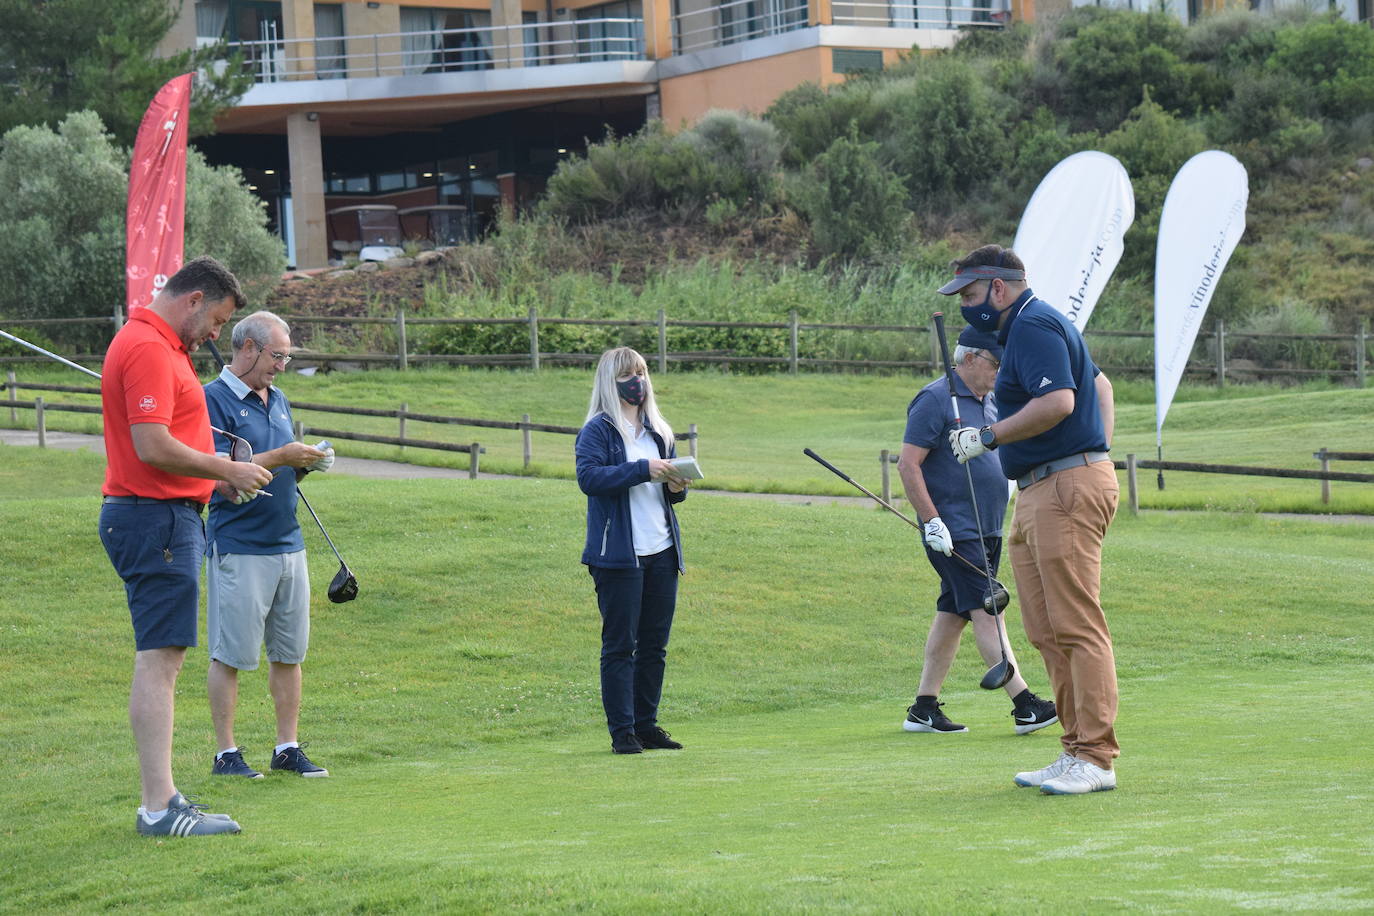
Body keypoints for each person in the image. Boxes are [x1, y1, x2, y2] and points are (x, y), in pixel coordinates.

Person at [99, 256, 273, 837]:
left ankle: (164, 798)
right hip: (155, 519)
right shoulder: (148, 346)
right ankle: (158, 807)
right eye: (219, 321)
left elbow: (169, 443)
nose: (217, 336)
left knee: (164, 656)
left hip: (164, 514)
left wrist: (212, 479)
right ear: (194, 300)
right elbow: (151, 444)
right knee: (161, 658)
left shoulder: (161, 346)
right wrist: (222, 465)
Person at [940, 244, 1120, 795]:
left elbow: (1064, 401)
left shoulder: (1036, 323)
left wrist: (990, 436)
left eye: (970, 295)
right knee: (1044, 630)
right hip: (1041, 487)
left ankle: (1096, 757)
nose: (966, 307)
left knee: (1075, 624)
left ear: (999, 288)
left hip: (1064, 484)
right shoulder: (1020, 331)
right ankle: (1074, 748)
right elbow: (1100, 384)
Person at [897, 325, 1058, 736]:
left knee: (953, 614)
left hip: (987, 527)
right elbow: (908, 464)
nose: (1000, 371)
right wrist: (932, 521)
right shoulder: (934, 399)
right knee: (990, 609)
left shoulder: (991, 401)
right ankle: (1024, 705)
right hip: (952, 531)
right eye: (994, 363)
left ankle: (923, 708)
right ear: (969, 358)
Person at [203, 311, 335, 780]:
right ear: (248, 348)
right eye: (277, 355)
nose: (282, 365)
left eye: (287, 356)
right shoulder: (210, 401)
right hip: (239, 545)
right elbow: (220, 478)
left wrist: (305, 464)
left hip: (288, 543)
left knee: (290, 652)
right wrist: (283, 455)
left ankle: (287, 747)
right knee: (231, 653)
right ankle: (226, 754)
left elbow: (277, 472)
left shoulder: (277, 398)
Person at [575, 347, 690, 755]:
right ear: (611, 380)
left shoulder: (659, 430)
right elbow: (589, 478)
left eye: (641, 373)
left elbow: (669, 493)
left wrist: (676, 486)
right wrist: (643, 469)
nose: (636, 381)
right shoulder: (598, 430)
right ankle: (622, 731)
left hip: (661, 549)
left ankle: (647, 725)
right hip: (619, 555)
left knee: (654, 645)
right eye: (627, 375)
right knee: (620, 645)